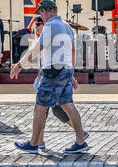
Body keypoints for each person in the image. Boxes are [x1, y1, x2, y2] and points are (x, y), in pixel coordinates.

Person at [10, 0, 89, 154]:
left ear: (44, 11)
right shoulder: (67, 27)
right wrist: (71, 73)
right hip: (66, 69)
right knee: (68, 105)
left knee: (40, 106)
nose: (40, 16)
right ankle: (81, 141)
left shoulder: (50, 26)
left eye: (40, 12)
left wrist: (19, 65)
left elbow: (36, 48)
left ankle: (33, 144)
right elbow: (73, 51)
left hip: (52, 70)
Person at [33, 16, 89, 149]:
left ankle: (37, 142)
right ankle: (80, 135)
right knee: (55, 109)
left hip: (52, 77)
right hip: (49, 76)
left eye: (38, 24)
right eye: (35, 25)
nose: (36, 27)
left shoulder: (51, 37)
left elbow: (64, 59)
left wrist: (70, 76)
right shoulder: (44, 38)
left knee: (43, 109)